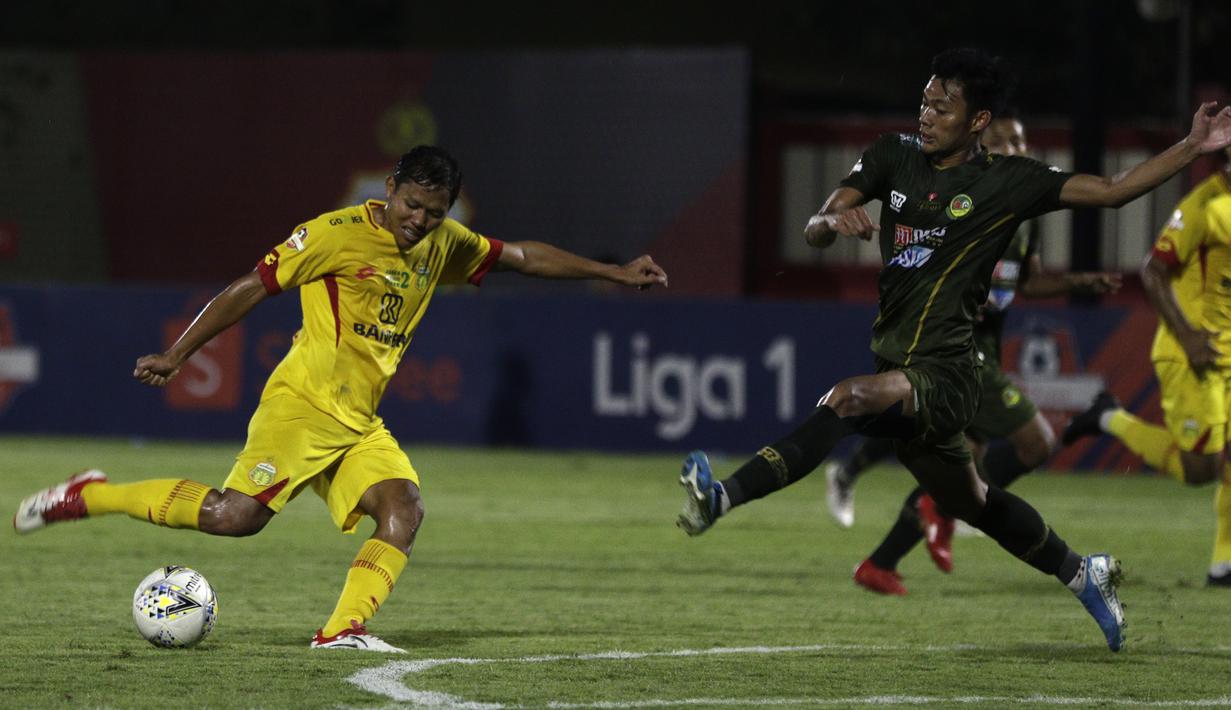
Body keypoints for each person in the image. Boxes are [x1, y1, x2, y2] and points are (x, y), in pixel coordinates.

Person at [674, 47, 1231, 653]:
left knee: (848, 398)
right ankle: (1083, 573)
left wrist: (1191, 147)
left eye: (944, 107)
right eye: (924, 102)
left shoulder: (1006, 182)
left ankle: (721, 496)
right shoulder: (891, 156)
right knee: (977, 503)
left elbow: (1115, 190)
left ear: (978, 121)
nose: (927, 115)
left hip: (951, 370)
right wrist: (833, 222)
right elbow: (816, 224)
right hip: (901, 361)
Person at [13, 145, 669, 652]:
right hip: (302, 403)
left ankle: (340, 632)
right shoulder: (332, 233)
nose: (420, 221)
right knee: (231, 519)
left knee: (403, 508)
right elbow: (250, 285)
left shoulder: (441, 243)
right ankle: (88, 495)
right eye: (412, 204)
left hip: (357, 421)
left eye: (434, 212)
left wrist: (612, 272)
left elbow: (522, 257)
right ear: (390, 190)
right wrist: (180, 354)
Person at [820, 115, 1121, 596]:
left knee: (962, 460)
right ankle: (904, 502)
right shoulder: (965, 198)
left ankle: (882, 560)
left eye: (1021, 138)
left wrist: (1078, 282)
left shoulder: (1021, 212)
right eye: (1004, 139)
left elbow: (1028, 281)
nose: (1015, 145)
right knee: (1035, 442)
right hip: (959, 350)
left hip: (985, 349)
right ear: (984, 144)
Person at [1062, 146, 1231, 587]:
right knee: (1202, 472)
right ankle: (1109, 417)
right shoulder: (1203, 207)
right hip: (1193, 352)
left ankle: (1224, 562)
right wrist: (1189, 335)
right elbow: (1153, 270)